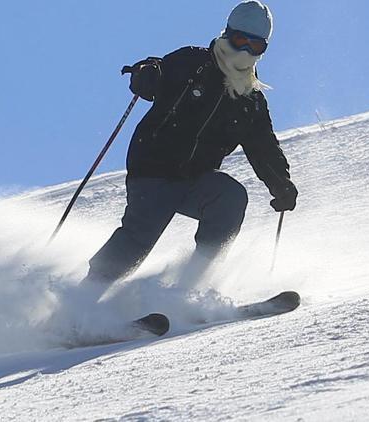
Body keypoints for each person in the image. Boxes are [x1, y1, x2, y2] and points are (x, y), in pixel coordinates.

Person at [84, 0, 297, 292]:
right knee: (139, 237)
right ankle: (82, 300)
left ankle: (189, 289)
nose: (244, 51)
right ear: (227, 34)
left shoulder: (250, 99)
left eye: (255, 46)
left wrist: (281, 183)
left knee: (230, 197)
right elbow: (155, 68)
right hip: (154, 171)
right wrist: (146, 74)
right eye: (238, 40)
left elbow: (263, 147)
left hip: (196, 180)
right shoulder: (193, 63)